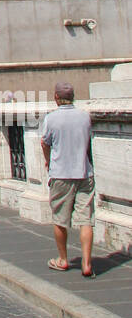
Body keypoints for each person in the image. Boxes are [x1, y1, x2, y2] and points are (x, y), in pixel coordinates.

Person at [40, 82, 95, 277]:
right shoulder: (85, 117)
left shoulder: (51, 119)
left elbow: (44, 143)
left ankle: (63, 259)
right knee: (86, 219)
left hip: (61, 173)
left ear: (56, 97)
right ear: (73, 97)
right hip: (84, 173)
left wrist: (48, 162)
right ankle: (87, 264)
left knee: (60, 219)